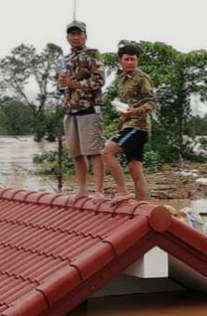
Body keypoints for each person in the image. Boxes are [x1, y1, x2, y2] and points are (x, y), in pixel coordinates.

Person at [57, 20, 105, 202]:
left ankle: (99, 190)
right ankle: (83, 189)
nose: (75, 37)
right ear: (67, 37)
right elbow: (60, 87)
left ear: (85, 36)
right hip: (70, 110)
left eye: (79, 34)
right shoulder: (63, 60)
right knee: (76, 153)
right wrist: (62, 84)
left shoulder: (93, 54)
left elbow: (99, 81)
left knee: (94, 151)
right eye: (72, 34)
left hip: (89, 109)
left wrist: (73, 83)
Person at [103, 44, 156, 201]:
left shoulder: (142, 78)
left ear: (138, 60)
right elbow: (128, 106)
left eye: (133, 59)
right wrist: (124, 117)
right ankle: (143, 207)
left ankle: (123, 192)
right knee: (135, 171)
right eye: (127, 59)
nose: (130, 62)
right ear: (120, 61)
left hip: (137, 128)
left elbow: (152, 103)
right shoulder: (122, 81)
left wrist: (134, 112)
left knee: (107, 152)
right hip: (128, 125)